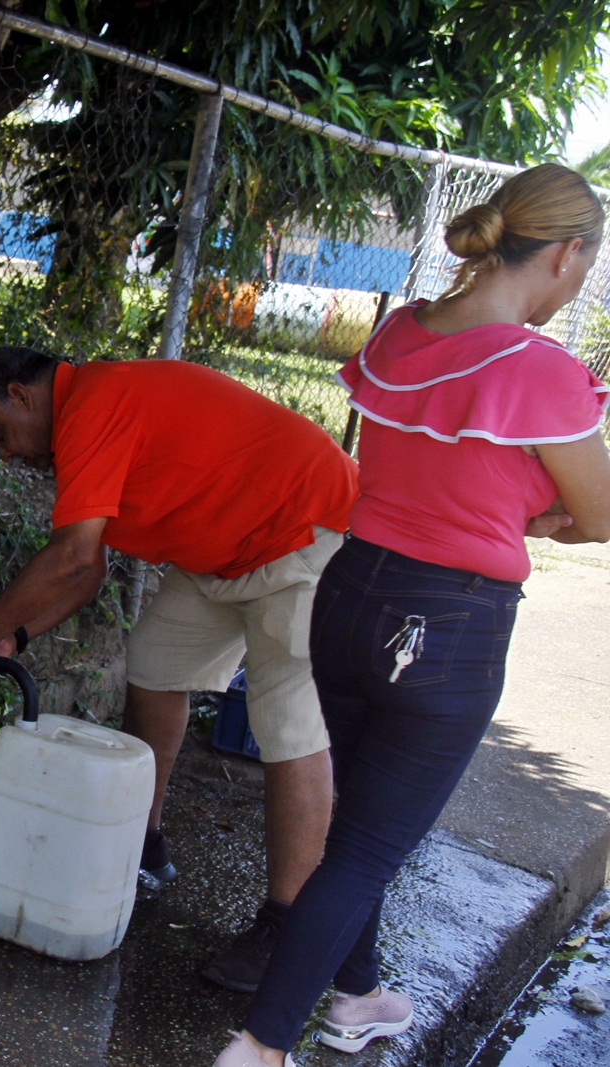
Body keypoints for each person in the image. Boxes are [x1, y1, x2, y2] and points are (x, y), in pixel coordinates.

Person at [213, 164, 610, 1067]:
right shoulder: (536, 368)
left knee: (359, 824)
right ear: (566, 253)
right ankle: (258, 1048)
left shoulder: (401, 332)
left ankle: (356, 997)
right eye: (586, 268)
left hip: (350, 597)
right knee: (367, 849)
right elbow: (603, 514)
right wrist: (537, 515)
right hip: (449, 625)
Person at [0, 348, 359, 990]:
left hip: (302, 533)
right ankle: (143, 846)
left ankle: (291, 928)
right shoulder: (81, 419)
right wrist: (14, 636)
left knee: (289, 728)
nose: (6, 455)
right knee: (155, 666)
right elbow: (91, 565)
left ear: (21, 396)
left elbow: (72, 557)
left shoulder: (99, 400)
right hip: (220, 556)